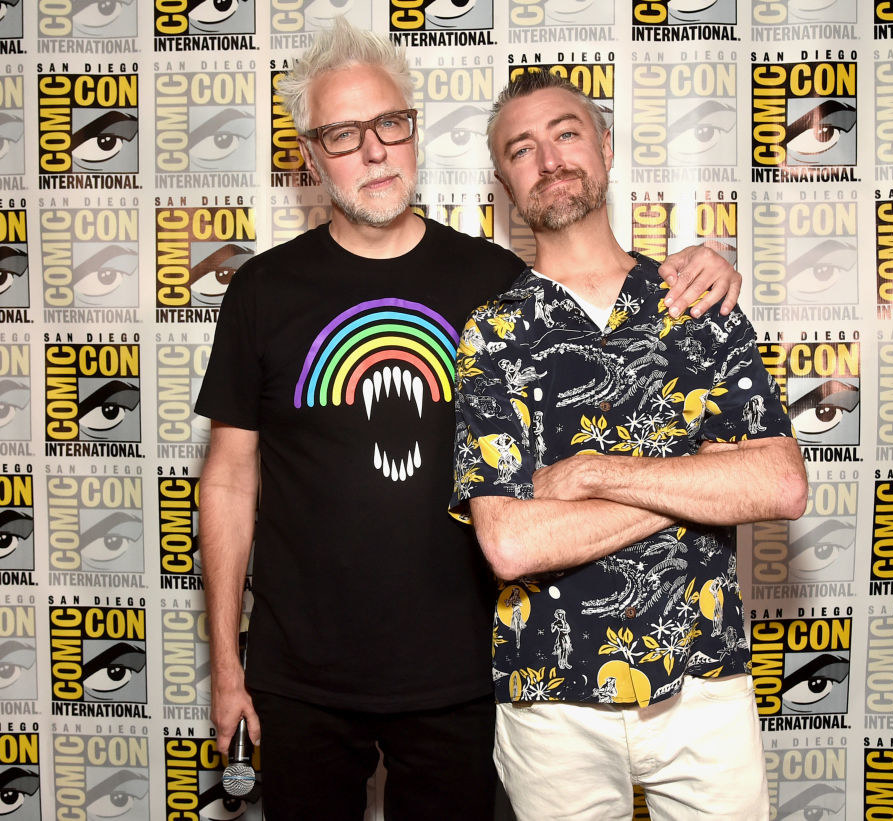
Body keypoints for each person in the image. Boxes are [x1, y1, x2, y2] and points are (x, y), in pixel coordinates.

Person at [195, 15, 745, 821]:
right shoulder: (262, 290)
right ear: (310, 157)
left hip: (463, 674)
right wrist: (226, 668)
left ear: (414, 134)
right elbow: (229, 481)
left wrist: (704, 260)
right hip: (299, 674)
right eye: (343, 135)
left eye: (390, 123)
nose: (375, 150)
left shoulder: (496, 282)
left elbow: (606, 297)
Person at [450, 69, 808, 820]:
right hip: (550, 694)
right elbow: (512, 543)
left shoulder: (698, 300)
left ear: (606, 147)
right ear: (505, 182)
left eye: (566, 133)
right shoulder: (493, 332)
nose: (548, 159)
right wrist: (702, 480)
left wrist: (589, 473)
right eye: (522, 149)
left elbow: (778, 484)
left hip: (703, 680)